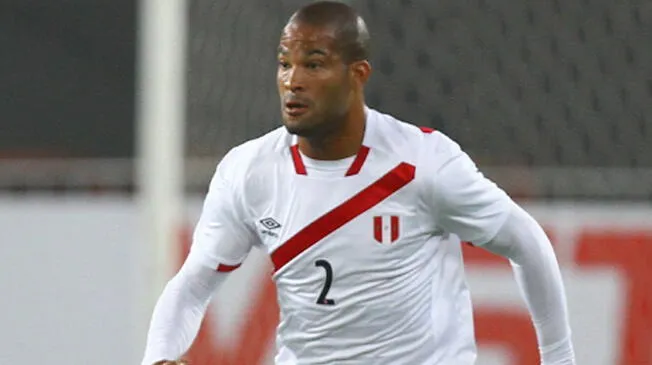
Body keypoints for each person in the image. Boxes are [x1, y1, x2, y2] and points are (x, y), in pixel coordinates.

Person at [141, 2, 576, 364]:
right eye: (285, 64)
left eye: (314, 64)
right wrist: (157, 358)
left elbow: (526, 242)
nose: (293, 80)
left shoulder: (423, 162)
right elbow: (194, 283)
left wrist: (559, 357)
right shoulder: (249, 171)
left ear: (358, 73)